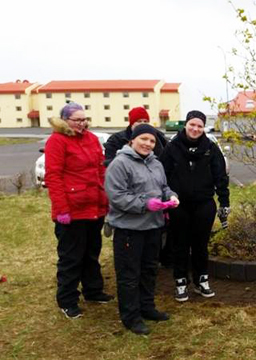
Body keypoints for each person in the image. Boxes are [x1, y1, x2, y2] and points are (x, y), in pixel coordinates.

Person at [105, 123, 179, 335]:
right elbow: (117, 197)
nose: (148, 144)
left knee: (149, 270)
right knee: (129, 274)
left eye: (152, 141)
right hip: (129, 229)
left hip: (153, 227)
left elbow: (163, 187)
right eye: (144, 139)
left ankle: (147, 308)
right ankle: (131, 316)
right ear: (132, 140)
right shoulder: (119, 164)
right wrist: (144, 204)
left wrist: (170, 195)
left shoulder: (155, 163)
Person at [44, 102, 113, 319]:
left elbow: (100, 171)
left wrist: (106, 199)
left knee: (91, 253)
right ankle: (67, 300)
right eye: (77, 120)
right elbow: (53, 176)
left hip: (94, 207)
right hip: (72, 211)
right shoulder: (57, 141)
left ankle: (93, 290)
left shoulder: (92, 139)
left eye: (84, 119)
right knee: (71, 257)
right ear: (65, 120)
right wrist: (62, 208)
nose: (82, 123)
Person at [160, 110, 230, 302]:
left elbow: (220, 176)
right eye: (192, 124)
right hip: (178, 204)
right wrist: (164, 199)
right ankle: (181, 281)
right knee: (179, 243)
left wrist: (224, 201)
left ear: (203, 128)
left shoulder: (210, 147)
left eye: (199, 126)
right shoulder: (172, 146)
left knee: (200, 243)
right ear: (186, 125)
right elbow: (162, 175)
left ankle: (201, 280)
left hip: (204, 203)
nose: (195, 129)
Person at [103, 107, 167, 167]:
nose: (142, 123)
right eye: (139, 121)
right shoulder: (116, 139)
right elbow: (110, 162)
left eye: (145, 121)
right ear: (132, 123)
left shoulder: (158, 137)